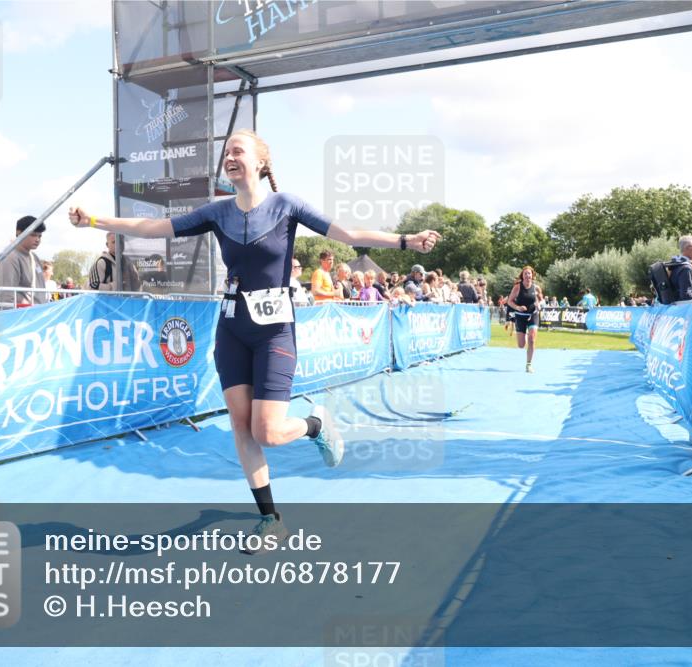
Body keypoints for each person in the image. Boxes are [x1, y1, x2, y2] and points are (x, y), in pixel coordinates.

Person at [68, 129, 440, 550]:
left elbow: (347, 234)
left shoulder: (287, 206)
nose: (229, 156)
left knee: (269, 432)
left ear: (261, 162)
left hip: (275, 332)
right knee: (241, 428)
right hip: (232, 329)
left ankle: (316, 425)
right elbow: (154, 226)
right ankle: (270, 518)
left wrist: (406, 241)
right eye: (226, 152)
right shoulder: (218, 212)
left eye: (237, 150)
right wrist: (95, 221)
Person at [0, 215, 49, 307]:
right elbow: (5, 297)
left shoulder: (34, 257)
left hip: (37, 314)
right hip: (21, 317)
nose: (37, 239)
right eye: (33, 235)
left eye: (40, 236)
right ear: (19, 233)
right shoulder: (10, 258)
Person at [507, 266, 542, 373]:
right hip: (520, 316)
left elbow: (541, 298)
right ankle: (525, 334)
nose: (527, 275)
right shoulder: (517, 287)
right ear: (522, 276)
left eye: (529, 273)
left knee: (532, 340)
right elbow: (509, 301)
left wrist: (539, 304)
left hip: (533, 315)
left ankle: (529, 364)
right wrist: (518, 307)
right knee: (521, 345)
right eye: (525, 274)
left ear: (532, 275)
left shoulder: (536, 288)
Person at [669, 235, 692, 302]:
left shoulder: (676, 264)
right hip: (686, 309)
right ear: (688, 248)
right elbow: (685, 295)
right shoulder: (686, 268)